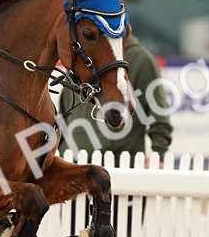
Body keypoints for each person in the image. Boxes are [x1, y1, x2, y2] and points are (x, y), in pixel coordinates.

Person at [58, 31, 173, 165]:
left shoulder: (142, 59)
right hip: (71, 162)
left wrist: (159, 155)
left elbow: (159, 115)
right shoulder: (82, 55)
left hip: (117, 165)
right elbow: (64, 112)